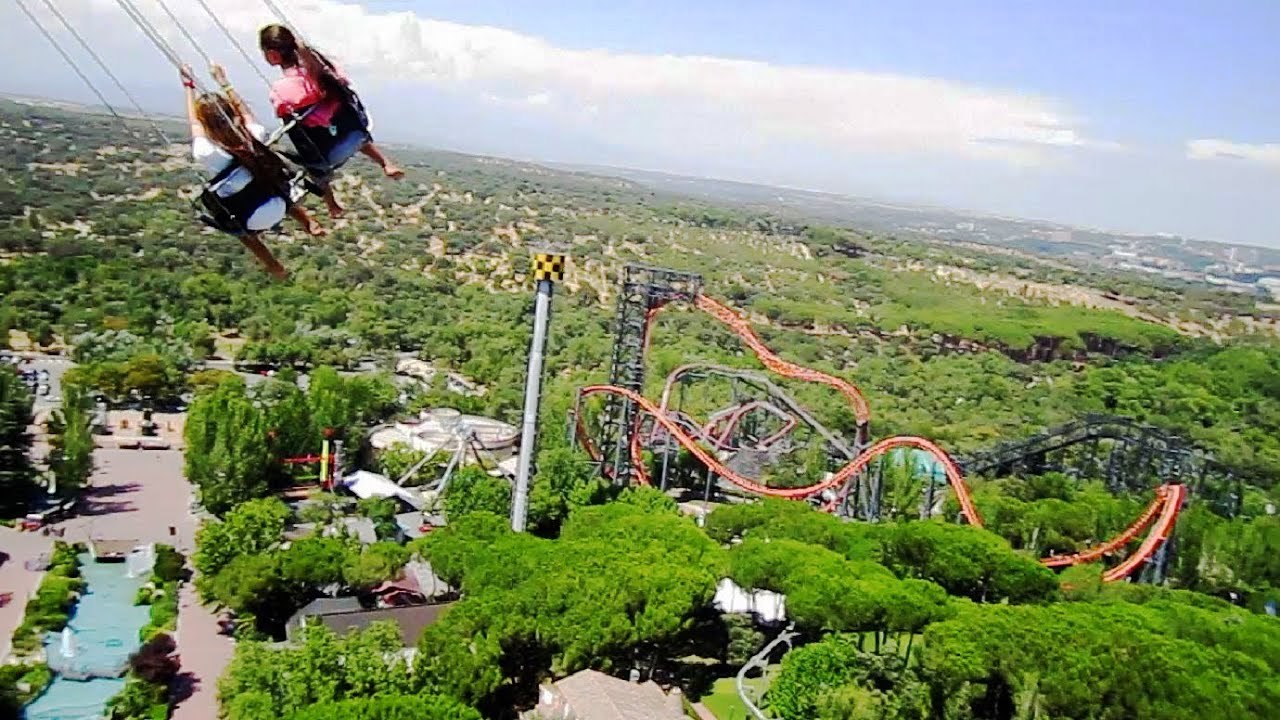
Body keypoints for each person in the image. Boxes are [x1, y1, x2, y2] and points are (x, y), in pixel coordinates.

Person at [181, 64, 324, 279]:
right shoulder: (254, 135)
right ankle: (309, 222)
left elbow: (195, 124)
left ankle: (273, 265)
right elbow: (245, 112)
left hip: (251, 220)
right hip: (282, 203)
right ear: (233, 113)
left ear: (206, 125)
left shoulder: (208, 152)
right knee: (269, 181)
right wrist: (224, 82)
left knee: (239, 229)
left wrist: (189, 86)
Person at [259, 23, 403, 218]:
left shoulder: (281, 90)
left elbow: (296, 132)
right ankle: (386, 163)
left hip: (328, 155)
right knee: (339, 123)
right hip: (357, 131)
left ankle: (332, 203)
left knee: (306, 147)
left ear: (273, 55)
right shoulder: (326, 68)